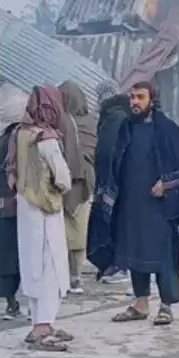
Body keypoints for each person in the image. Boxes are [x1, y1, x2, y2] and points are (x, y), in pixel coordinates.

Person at [88, 80, 179, 325]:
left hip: (160, 208)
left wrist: (167, 183)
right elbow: (113, 161)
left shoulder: (166, 130)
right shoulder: (125, 129)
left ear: (152, 100)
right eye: (132, 97)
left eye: (140, 97)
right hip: (130, 205)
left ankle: (166, 306)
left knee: (163, 257)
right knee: (134, 254)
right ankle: (141, 304)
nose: (135, 102)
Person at [8, 85, 73, 352]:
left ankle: (39, 322)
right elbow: (64, 179)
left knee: (33, 266)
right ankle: (43, 328)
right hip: (47, 209)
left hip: (25, 207)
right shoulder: (46, 139)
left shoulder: (19, 134)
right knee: (51, 268)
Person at [90, 80, 130, 286]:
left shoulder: (114, 117)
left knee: (113, 220)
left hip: (113, 179)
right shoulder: (117, 115)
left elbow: (108, 152)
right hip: (117, 177)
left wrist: (105, 180)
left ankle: (119, 265)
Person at [59, 80, 97, 294]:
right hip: (87, 180)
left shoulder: (60, 122)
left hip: (66, 179)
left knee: (65, 228)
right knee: (79, 228)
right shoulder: (91, 122)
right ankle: (75, 275)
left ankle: (69, 275)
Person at [0, 116, 22, 319]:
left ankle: (11, 301)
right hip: (22, 205)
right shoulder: (25, 140)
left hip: (1, 206)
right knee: (25, 256)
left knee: (6, 256)